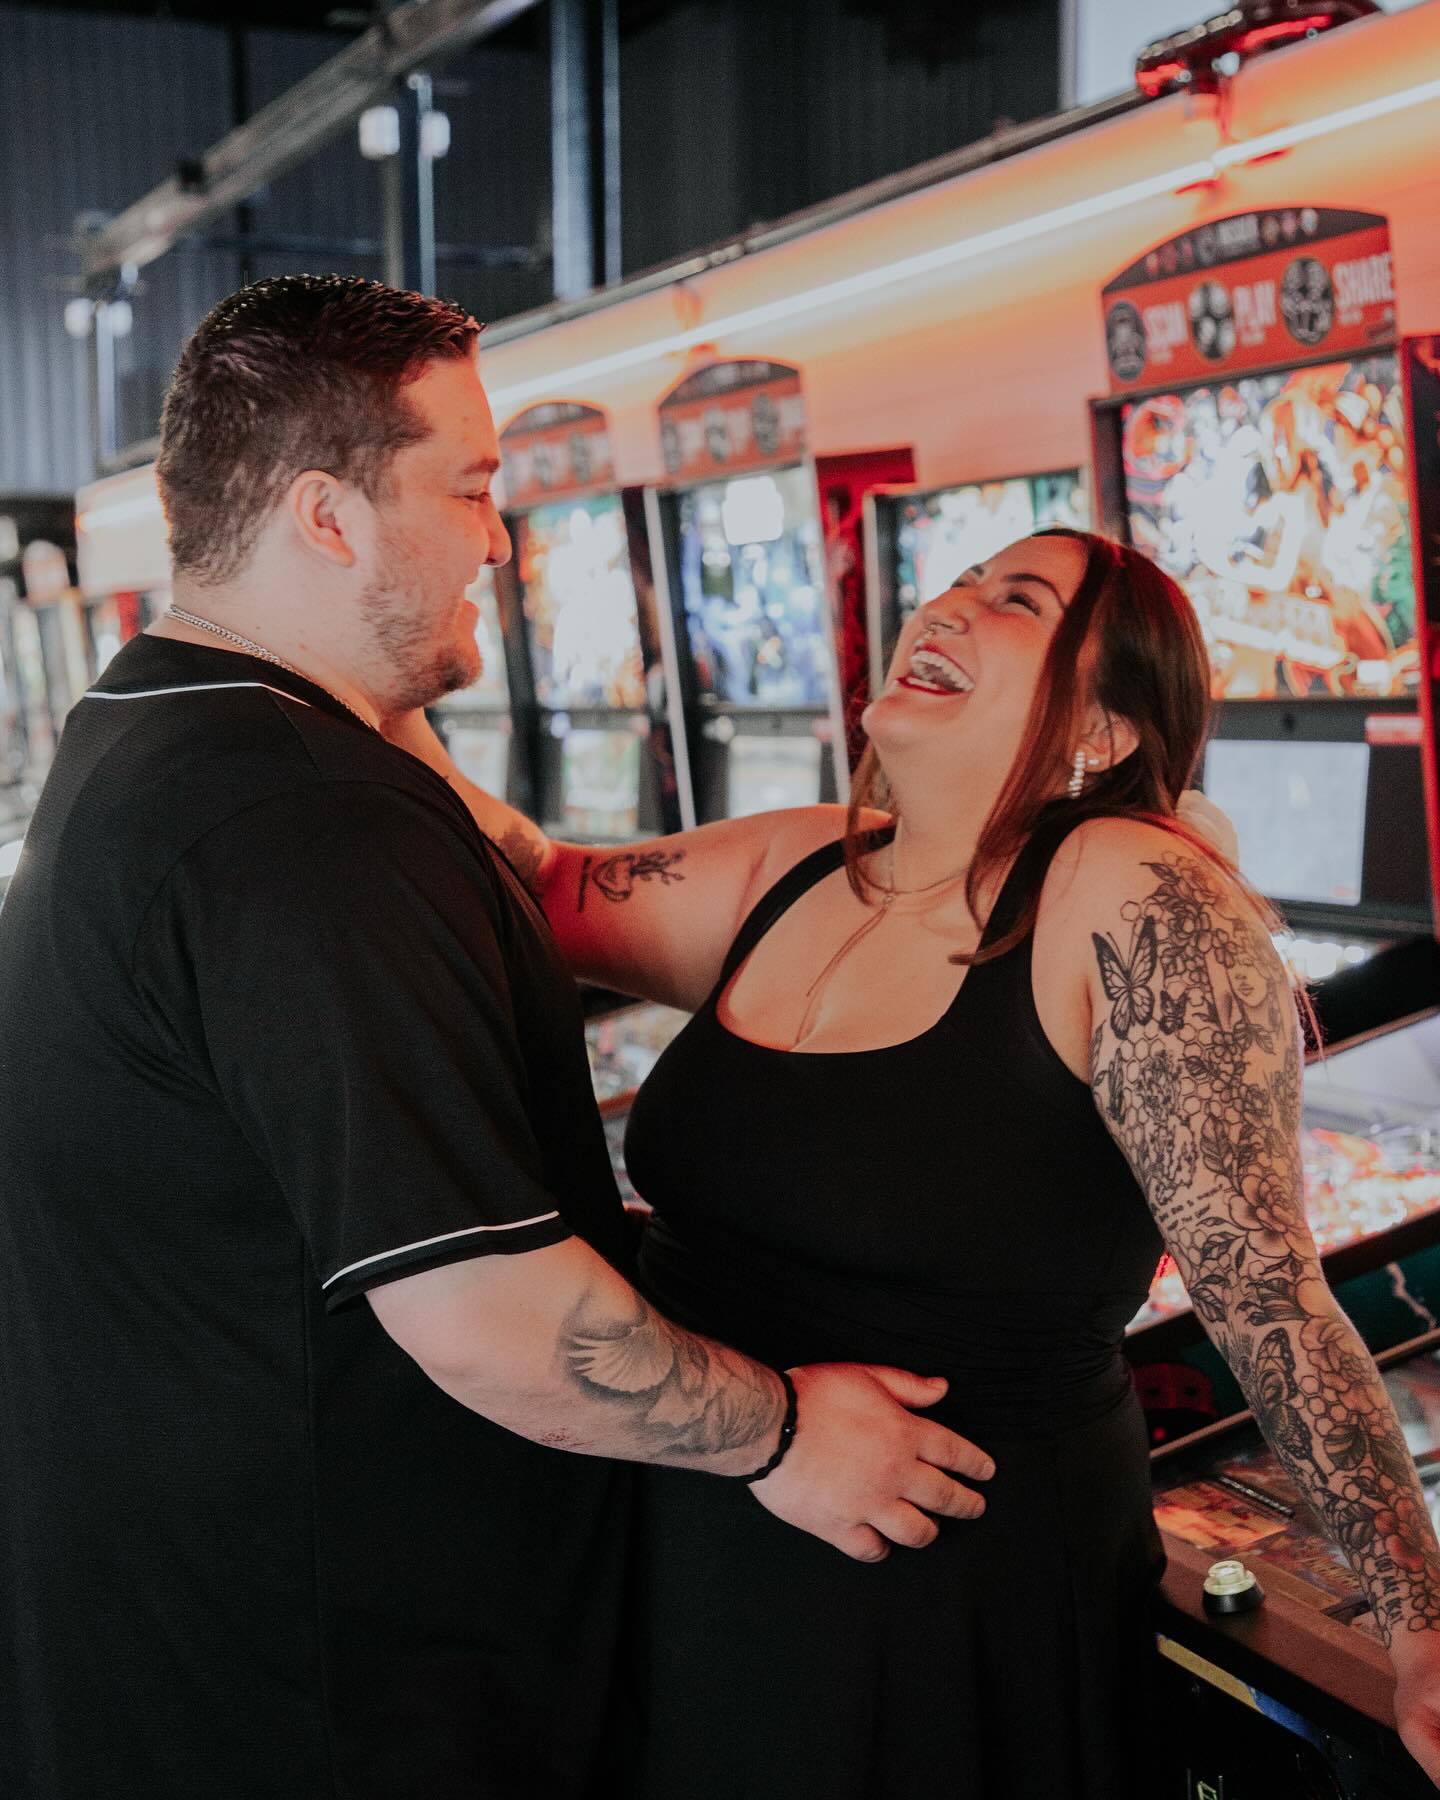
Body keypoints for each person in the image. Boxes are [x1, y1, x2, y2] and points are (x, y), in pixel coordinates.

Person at [0, 276, 996, 1800]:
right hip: (342, 1697)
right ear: (328, 519)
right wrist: (785, 1431)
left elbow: (520, 879)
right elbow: (491, 1321)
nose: (500, 541)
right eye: (471, 489)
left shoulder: (159, 728)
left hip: (189, 1645)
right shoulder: (304, 826)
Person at [393, 527, 1440, 1796]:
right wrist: (361, 688)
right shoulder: (798, 865)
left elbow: (1263, 1292)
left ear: (1101, 732)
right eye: (955, 580)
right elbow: (541, 883)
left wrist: (1420, 1621)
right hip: (699, 1527)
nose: (948, 602)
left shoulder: (1132, 892)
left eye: (1018, 600)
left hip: (946, 1577)